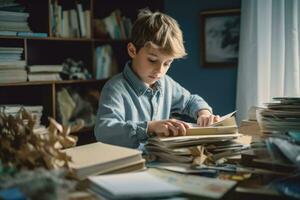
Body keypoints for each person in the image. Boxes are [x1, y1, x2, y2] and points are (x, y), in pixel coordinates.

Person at [94, 9, 220, 149]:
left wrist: (203, 113)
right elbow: (103, 131)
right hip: (130, 164)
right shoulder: (115, 88)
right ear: (132, 51)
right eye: (152, 60)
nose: (160, 70)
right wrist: (149, 128)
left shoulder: (166, 83)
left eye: (167, 63)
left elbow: (190, 100)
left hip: (159, 160)